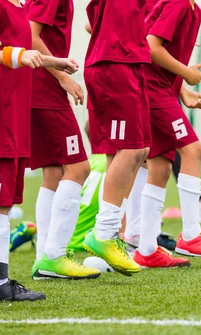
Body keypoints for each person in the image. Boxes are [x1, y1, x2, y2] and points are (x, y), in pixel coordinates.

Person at [0, 0, 78, 301]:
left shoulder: (17, 9)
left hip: (15, 117)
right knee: (0, 201)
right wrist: (14, 54)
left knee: (6, 200)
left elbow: (25, 55)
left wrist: (56, 63)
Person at [132, 0, 201, 269]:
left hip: (161, 88)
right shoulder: (178, 3)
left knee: (161, 167)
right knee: (193, 150)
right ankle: (190, 235)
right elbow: (151, 47)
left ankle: (146, 249)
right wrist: (186, 73)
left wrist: (182, 90)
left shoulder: (194, 9)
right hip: (151, 89)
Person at [25, 0, 100, 280]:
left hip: (37, 88)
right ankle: (54, 255)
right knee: (79, 168)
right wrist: (61, 78)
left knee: (54, 172)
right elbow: (30, 36)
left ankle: (44, 256)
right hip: (45, 90)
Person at [81, 0, 151, 276]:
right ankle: (104, 233)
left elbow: (90, 23)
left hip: (127, 62)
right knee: (132, 149)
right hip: (114, 64)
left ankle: (110, 236)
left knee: (140, 150)